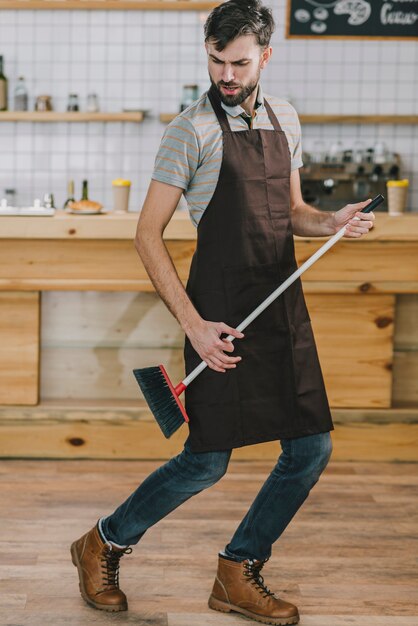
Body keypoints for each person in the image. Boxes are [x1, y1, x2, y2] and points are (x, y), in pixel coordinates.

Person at [70, 1, 375, 623]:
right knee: (206, 460)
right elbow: (147, 234)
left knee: (310, 449)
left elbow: (293, 213)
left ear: (266, 55)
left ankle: (238, 569)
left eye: (239, 61)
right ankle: (102, 541)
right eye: (216, 60)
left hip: (280, 308)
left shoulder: (286, 118)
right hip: (219, 318)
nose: (226, 74)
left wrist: (332, 221)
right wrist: (194, 325)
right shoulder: (189, 130)